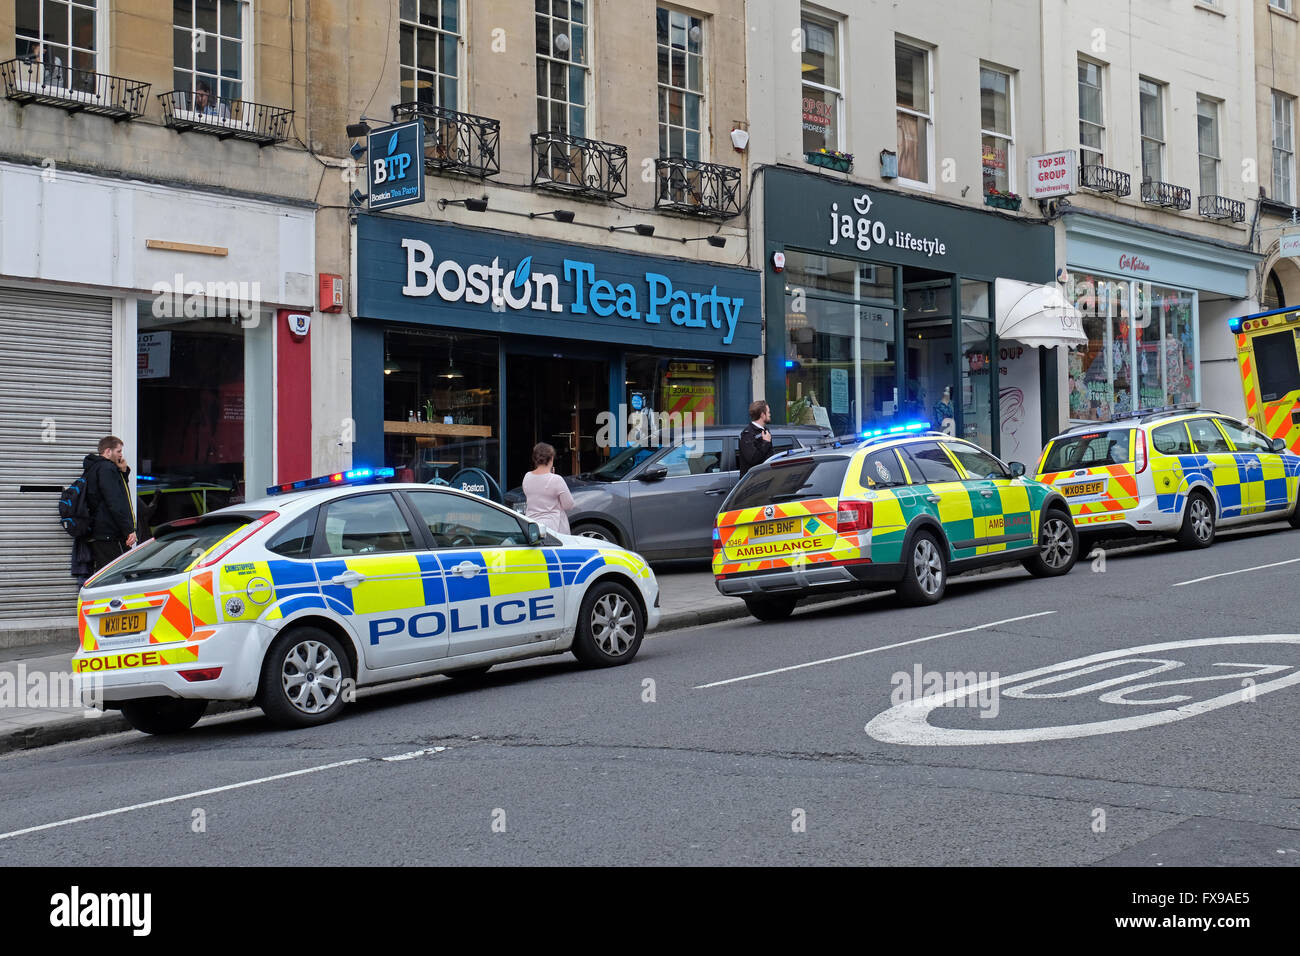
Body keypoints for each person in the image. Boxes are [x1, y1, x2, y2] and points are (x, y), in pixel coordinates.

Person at [83, 436, 137, 572]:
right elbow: (115, 501)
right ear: (108, 451)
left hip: (100, 534)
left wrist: (123, 472)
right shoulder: (107, 469)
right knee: (117, 575)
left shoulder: (94, 468)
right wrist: (128, 530)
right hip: (110, 535)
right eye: (118, 451)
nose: (121, 455)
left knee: (104, 575)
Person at [522, 442, 574, 535]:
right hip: (554, 528)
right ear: (551, 459)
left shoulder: (527, 476)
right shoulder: (556, 479)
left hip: (532, 526)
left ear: (534, 459)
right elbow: (569, 505)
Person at [738, 399, 773, 478]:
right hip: (753, 483)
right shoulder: (747, 434)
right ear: (762, 415)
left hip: (766, 479)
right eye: (768, 412)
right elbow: (752, 459)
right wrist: (766, 443)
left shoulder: (765, 431)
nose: (770, 414)